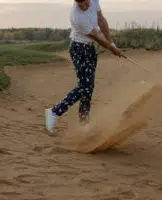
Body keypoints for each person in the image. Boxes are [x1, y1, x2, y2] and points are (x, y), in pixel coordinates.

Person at [45, 0, 125, 133]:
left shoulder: (94, 1)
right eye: (79, 4)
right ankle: (54, 112)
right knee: (84, 86)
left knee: (89, 87)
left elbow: (101, 19)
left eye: (84, 3)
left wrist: (112, 42)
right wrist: (112, 49)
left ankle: (84, 122)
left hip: (89, 49)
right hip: (79, 49)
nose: (83, 6)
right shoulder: (77, 17)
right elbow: (97, 37)